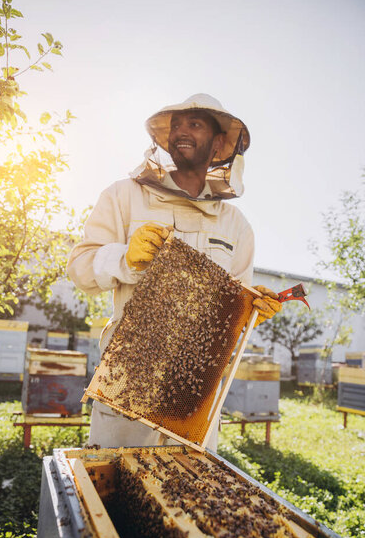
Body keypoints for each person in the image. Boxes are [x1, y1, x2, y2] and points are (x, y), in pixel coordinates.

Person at [67, 93, 281, 450]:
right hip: (128, 382)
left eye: (194, 124)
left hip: (194, 399)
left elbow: (236, 305)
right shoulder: (123, 196)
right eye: (176, 125)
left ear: (218, 144)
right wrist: (125, 258)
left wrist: (250, 312)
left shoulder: (236, 225)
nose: (181, 131)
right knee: (114, 490)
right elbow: (80, 269)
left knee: (184, 497)